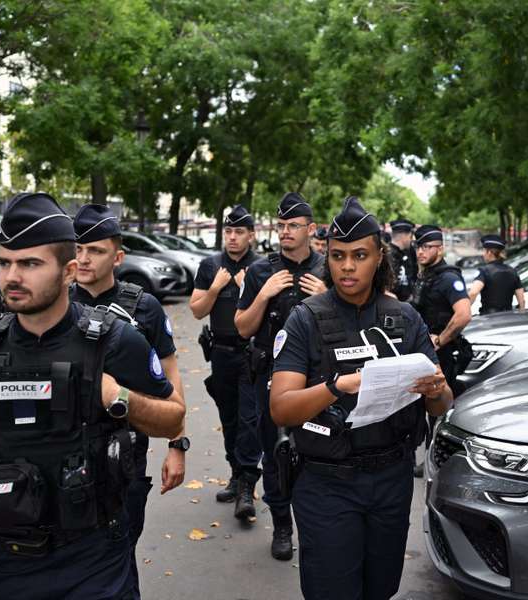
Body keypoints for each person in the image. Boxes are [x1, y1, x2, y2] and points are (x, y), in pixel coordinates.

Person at [0, 192, 185, 600]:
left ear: (67, 272)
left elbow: (173, 418)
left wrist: (118, 397)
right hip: (9, 561)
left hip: (96, 559)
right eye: (5, 262)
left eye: (30, 263)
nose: (12, 276)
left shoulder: (116, 343)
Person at [269, 196, 452, 600]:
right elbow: (281, 407)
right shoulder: (306, 318)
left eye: (359, 255)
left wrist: (436, 390)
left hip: (391, 478)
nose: (347, 266)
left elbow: (443, 406)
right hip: (326, 481)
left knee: (381, 587)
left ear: (378, 256)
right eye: (337, 256)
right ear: (326, 256)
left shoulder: (404, 318)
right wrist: (338, 386)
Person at [71, 204, 188, 599]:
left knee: (119, 556)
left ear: (117, 257)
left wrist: (177, 445)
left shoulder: (144, 307)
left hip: (125, 454)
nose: (83, 258)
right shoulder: (54, 304)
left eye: (96, 250)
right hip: (65, 453)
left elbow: (171, 380)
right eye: (77, 249)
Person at [234, 192, 326, 560]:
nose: (285, 232)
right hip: (269, 379)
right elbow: (242, 327)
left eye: (294, 226)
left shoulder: (327, 269)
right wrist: (263, 295)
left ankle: (317, 523)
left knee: (317, 452)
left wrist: (325, 297)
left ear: (311, 229)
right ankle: (283, 526)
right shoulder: (260, 271)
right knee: (274, 454)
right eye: (281, 225)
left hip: (316, 379)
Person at [189, 205, 263, 521]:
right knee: (229, 418)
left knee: (250, 419)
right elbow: (196, 310)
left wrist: (249, 286)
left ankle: (247, 483)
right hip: (220, 353)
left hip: (250, 353)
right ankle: (236, 474)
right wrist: (216, 287)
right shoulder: (210, 266)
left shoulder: (261, 267)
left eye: (239, 232)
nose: (232, 238)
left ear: (251, 235)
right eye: (228, 232)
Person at [410, 224, 471, 477]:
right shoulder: (427, 275)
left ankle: (440, 464)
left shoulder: (448, 277)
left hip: (441, 354)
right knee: (428, 411)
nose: (421, 252)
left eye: (427, 247)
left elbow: (464, 314)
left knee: (440, 411)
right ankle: (432, 459)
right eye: (418, 247)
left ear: (440, 248)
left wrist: (441, 339)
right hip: (424, 353)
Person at [467, 234, 525, 314]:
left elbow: (473, 293)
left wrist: (463, 311)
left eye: (484, 251)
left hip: (489, 319)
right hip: (509, 317)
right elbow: (521, 299)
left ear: (489, 252)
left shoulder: (484, 271)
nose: (483, 254)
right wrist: (521, 313)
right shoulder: (512, 271)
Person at [388, 218, 417, 301]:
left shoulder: (406, 252)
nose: (412, 239)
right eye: (411, 236)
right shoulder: (387, 255)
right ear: (404, 236)